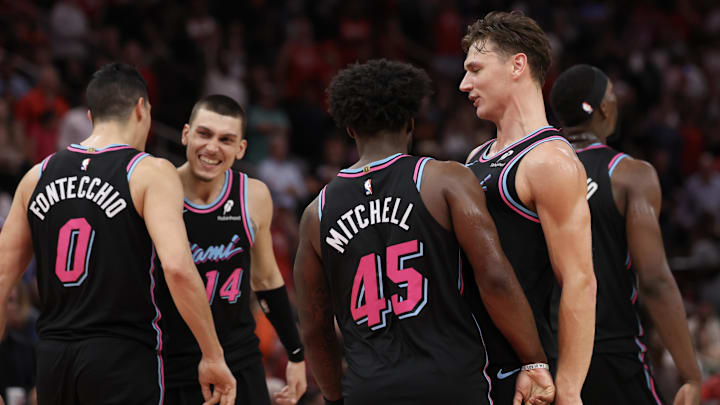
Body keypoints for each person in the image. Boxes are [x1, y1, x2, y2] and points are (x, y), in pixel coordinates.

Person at [294, 58, 555, 405]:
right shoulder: (445, 180)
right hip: (451, 381)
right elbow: (494, 277)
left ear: (350, 129)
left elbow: (313, 325)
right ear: (411, 122)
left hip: (368, 389)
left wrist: (333, 396)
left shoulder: (317, 213)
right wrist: (533, 359)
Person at [0, 63, 236, 405]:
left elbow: (3, 276)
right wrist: (213, 355)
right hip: (121, 358)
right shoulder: (149, 171)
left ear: (92, 114)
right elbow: (178, 268)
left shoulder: (37, 175)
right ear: (142, 108)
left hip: (53, 361)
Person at [459, 11, 596, 405]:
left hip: (523, 373)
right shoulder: (476, 156)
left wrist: (569, 389)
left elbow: (580, 282)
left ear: (517, 65)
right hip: (474, 363)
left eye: (475, 69)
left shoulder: (549, 160)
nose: (465, 83)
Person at [549, 64, 702, 405]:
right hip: (608, 349)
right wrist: (691, 374)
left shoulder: (529, 173)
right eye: (613, 96)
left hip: (544, 356)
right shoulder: (629, 175)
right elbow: (654, 281)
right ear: (605, 108)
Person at [157, 94, 307, 405]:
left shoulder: (253, 195)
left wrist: (295, 355)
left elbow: (266, 280)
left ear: (241, 149)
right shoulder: (156, 191)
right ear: (185, 134)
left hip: (240, 360)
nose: (213, 147)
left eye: (226, 139)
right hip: (171, 364)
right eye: (204, 134)